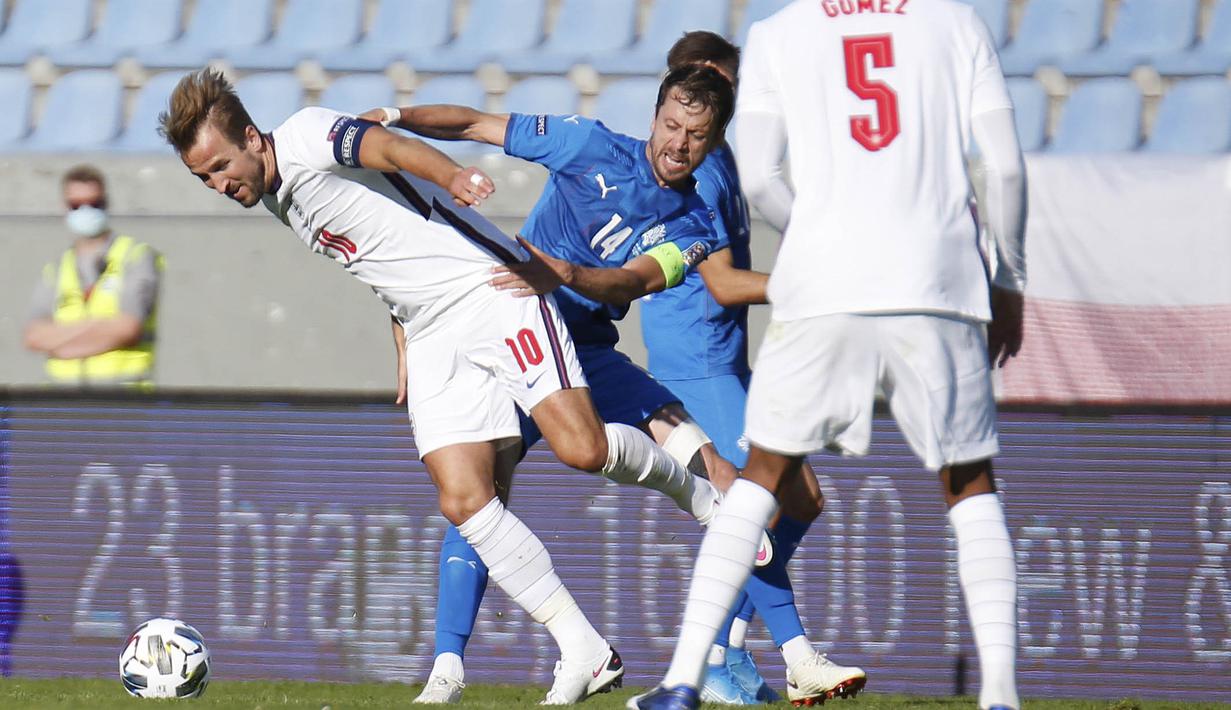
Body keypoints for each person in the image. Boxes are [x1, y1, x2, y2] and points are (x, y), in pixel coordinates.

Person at [158, 68, 728, 704]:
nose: (218, 184)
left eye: (219, 166)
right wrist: (400, 329)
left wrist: (452, 176)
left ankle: (702, 498)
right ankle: (582, 648)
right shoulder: (273, 192)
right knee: (464, 500)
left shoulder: (305, 135)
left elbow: (388, 147)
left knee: (584, 450)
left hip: (490, 290)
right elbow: (384, 248)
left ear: (249, 137)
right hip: (429, 327)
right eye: (204, 178)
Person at [634, 1, 1027, 709]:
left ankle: (693, 673)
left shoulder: (780, 35)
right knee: (968, 482)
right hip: (927, 277)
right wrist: (1010, 281)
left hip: (813, 294)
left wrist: (819, 250)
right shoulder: (954, 21)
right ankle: (989, 693)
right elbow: (1003, 167)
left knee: (775, 490)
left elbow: (764, 181)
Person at [373, 65, 767, 704]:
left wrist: (563, 273)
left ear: (715, 139)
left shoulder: (697, 227)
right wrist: (393, 120)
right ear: (655, 117)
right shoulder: (587, 144)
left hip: (586, 354)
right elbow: (474, 124)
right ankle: (447, 667)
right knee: (478, 497)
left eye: (696, 135)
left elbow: (633, 281)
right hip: (515, 336)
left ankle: (745, 652)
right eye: (671, 125)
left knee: (716, 468)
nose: (678, 143)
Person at [639, 31, 864, 705]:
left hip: (723, 358)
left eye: (727, 82)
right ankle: (792, 655)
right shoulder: (700, 170)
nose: (723, 92)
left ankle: (723, 648)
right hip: (695, 360)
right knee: (757, 509)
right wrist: (809, 284)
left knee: (801, 500)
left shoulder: (724, 156)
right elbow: (721, 283)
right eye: (712, 80)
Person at [23, 165, 163, 388]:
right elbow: (34, 336)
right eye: (76, 205)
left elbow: (128, 328)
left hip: (124, 395)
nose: (86, 211)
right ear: (64, 207)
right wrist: (98, 326)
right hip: (61, 397)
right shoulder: (57, 268)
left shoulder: (134, 256)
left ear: (106, 203)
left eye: (94, 203)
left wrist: (62, 346)